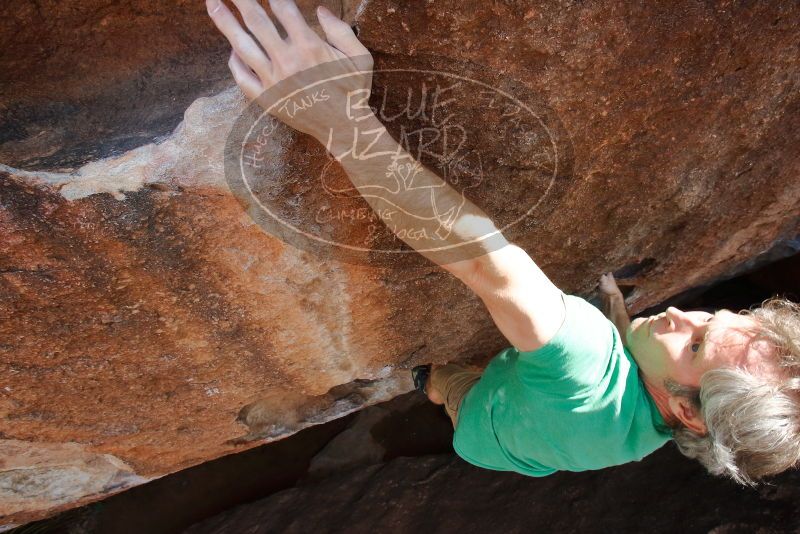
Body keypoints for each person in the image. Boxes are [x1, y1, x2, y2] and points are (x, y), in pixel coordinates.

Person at [207, 0, 800, 486]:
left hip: (485, 431)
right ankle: (440, 382)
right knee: (539, 358)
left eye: (695, 346)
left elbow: (491, 264)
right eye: (714, 315)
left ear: (688, 415)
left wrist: (342, 119)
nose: (679, 313)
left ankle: (435, 382)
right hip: (546, 451)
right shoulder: (647, 436)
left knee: (456, 384)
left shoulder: (586, 362)